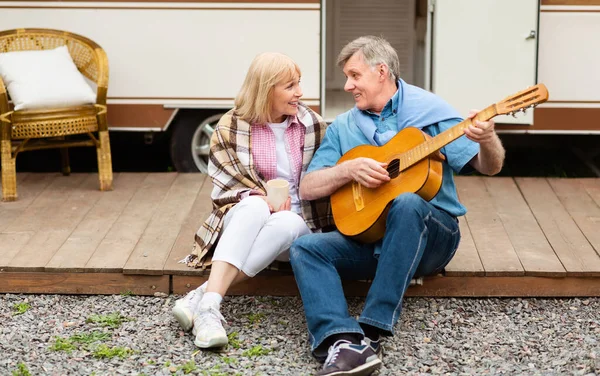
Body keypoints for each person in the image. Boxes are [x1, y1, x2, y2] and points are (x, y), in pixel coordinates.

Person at [290, 36, 505, 375]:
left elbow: (488, 166)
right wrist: (348, 169)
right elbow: (307, 187)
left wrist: (488, 138)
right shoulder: (345, 126)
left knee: (407, 202)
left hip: (432, 236)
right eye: (346, 77)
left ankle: (371, 332)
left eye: (354, 75)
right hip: (371, 240)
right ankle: (340, 340)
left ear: (381, 71)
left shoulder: (429, 112)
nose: (347, 85)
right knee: (305, 247)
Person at [174, 52, 332, 349]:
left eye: (299, 83)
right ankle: (209, 310)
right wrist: (258, 195)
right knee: (256, 205)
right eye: (290, 86)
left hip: (295, 230)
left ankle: (202, 297)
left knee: (287, 221)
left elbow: (327, 173)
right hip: (244, 219)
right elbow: (224, 184)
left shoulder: (312, 123)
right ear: (265, 89)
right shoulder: (230, 126)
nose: (300, 92)